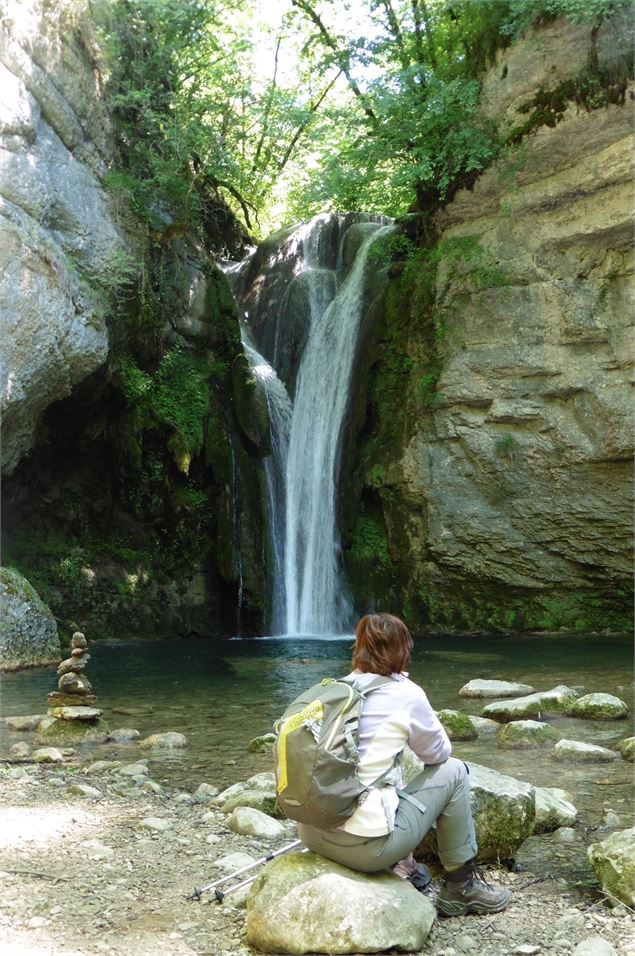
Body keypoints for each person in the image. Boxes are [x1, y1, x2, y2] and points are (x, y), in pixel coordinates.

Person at [297, 612, 511, 917]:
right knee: (455, 771)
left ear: (358, 648)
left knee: (376, 773)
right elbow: (438, 754)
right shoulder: (406, 694)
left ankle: (404, 863)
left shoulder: (335, 692)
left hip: (311, 833)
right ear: (402, 650)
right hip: (365, 849)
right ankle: (461, 888)